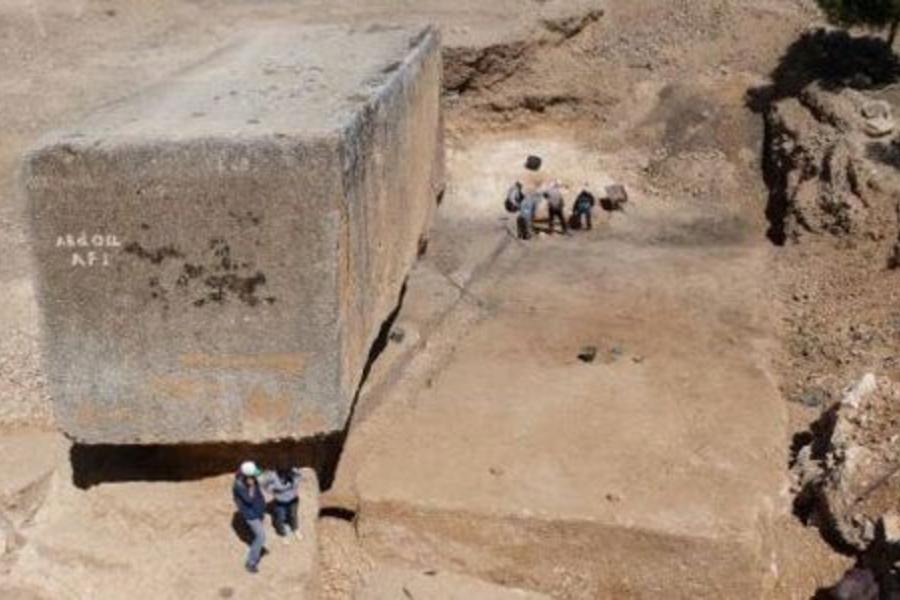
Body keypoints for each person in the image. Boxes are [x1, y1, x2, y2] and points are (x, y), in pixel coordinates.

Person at [233, 461, 267, 573]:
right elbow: (249, 500)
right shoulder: (239, 485)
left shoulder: (248, 477)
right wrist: (252, 487)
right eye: (253, 475)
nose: (255, 476)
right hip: (251, 514)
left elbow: (260, 475)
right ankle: (251, 563)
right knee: (261, 536)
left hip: (257, 510)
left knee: (257, 534)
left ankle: (254, 542)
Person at [264, 467, 303, 541]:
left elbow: (299, 477)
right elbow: (265, 485)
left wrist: (294, 471)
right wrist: (272, 490)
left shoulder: (293, 474)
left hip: (293, 500)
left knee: (293, 515)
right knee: (280, 518)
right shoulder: (273, 476)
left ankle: (295, 529)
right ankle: (283, 534)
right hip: (280, 503)